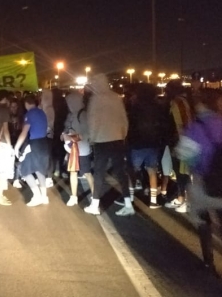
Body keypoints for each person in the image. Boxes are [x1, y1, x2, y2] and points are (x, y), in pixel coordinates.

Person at [176, 89, 222, 277]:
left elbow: (185, 157)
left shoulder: (194, 128)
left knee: (202, 220)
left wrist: (200, 163)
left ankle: (209, 263)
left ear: (201, 105)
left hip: (203, 183)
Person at [84, 74, 133, 216]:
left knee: (99, 173)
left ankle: (95, 205)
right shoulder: (117, 98)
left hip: (100, 140)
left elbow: (92, 121)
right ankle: (128, 204)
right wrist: (122, 135)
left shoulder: (95, 99)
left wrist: (92, 138)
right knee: (120, 172)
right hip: (117, 139)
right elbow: (124, 119)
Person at [126, 84, 168, 209]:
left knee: (132, 172)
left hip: (137, 144)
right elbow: (162, 126)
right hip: (153, 144)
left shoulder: (135, 108)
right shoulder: (158, 108)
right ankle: (153, 201)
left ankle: (130, 200)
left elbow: (130, 126)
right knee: (152, 171)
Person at [13, 95, 51, 207]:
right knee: (40, 170)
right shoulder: (42, 112)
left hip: (34, 143)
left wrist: (16, 147)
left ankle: (37, 195)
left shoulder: (29, 114)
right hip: (44, 142)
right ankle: (44, 196)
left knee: (25, 169)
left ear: (26, 103)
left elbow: (24, 132)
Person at [164, 81, 195, 213]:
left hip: (182, 142)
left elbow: (182, 125)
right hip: (183, 141)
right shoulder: (183, 101)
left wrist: (180, 144)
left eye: (167, 90)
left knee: (183, 173)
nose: (165, 93)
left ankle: (185, 201)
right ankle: (181, 198)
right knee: (180, 173)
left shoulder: (178, 103)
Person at [62, 88, 94, 207]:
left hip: (81, 149)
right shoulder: (73, 114)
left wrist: (70, 137)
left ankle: (94, 197)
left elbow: (87, 134)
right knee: (73, 172)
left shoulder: (83, 114)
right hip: (73, 148)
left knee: (87, 173)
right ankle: (74, 196)